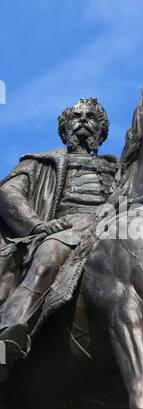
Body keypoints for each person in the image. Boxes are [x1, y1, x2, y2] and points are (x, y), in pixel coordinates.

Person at [0, 97, 118, 382]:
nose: (82, 122)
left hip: (115, 231)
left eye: (91, 118)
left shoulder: (122, 170)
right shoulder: (39, 163)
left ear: (102, 132)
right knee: (49, 256)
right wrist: (38, 225)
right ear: (64, 131)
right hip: (63, 229)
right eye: (75, 118)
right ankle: (9, 333)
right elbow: (8, 194)